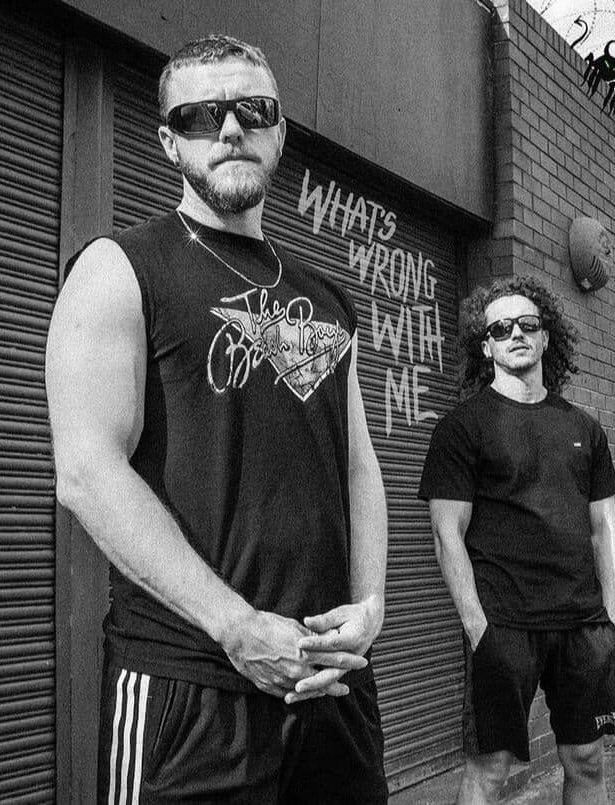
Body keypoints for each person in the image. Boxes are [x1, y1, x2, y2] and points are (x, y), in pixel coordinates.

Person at [45, 35, 389, 803]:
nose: (229, 128)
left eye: (251, 108)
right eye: (199, 115)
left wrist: (370, 603)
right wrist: (234, 625)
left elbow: (359, 464)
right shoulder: (120, 266)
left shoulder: (329, 299)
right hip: (190, 687)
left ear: (280, 130)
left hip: (331, 685)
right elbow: (86, 473)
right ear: (169, 141)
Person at [419, 277, 615, 805]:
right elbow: (448, 535)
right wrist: (477, 627)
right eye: (501, 328)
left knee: (587, 760)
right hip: (503, 624)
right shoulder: (463, 428)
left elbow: (605, 528)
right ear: (484, 344)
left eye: (528, 325)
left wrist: (610, 620)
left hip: (581, 625)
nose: (516, 334)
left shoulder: (584, 427)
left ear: (546, 337)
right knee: (490, 768)